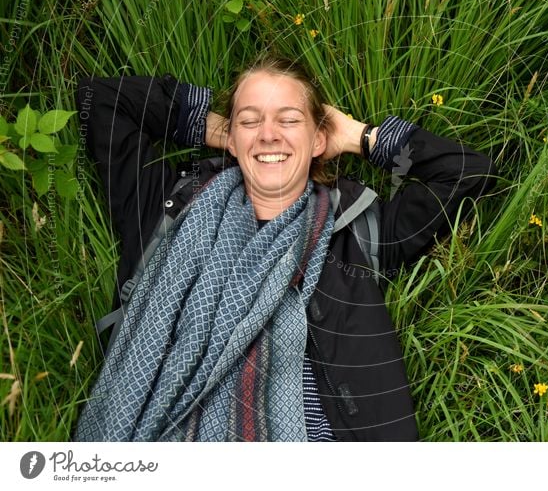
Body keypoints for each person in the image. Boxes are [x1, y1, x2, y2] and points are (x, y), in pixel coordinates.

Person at [74, 56, 496, 441]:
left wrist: (357, 136)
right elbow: (103, 99)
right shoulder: (168, 208)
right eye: (251, 120)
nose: (270, 134)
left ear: (318, 140)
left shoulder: (359, 229)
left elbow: (467, 173)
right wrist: (227, 132)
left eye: (289, 120)